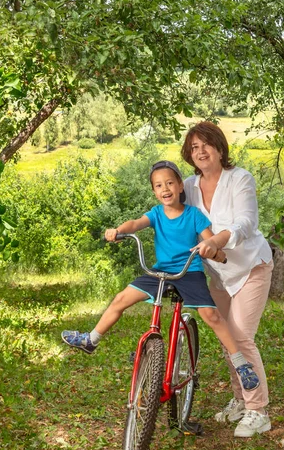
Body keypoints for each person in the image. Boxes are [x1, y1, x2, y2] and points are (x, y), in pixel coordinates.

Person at [62, 160, 261, 392]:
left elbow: (209, 239)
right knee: (120, 299)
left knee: (212, 315)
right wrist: (118, 231)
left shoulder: (193, 215)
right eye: (158, 185)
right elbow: (136, 223)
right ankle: (91, 340)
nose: (165, 189)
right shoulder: (156, 214)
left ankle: (241, 364)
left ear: (180, 186)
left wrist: (214, 251)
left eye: (169, 183)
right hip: (159, 272)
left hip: (189, 272)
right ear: (154, 191)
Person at [181, 122, 274, 438]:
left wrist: (217, 240)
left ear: (220, 148)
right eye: (194, 147)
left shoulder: (240, 179)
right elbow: (171, 214)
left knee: (241, 336)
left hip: (251, 267)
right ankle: (240, 399)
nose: (201, 151)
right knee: (226, 338)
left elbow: (246, 222)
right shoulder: (188, 187)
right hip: (218, 275)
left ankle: (258, 410)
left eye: (207, 144)